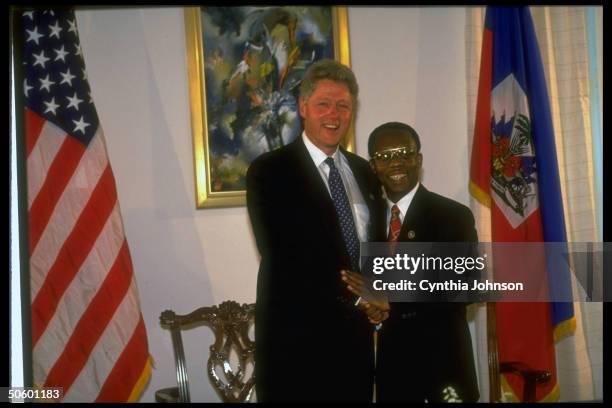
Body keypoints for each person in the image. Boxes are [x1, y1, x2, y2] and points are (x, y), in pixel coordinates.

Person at [246, 59, 383, 402]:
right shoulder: (269, 171)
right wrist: (361, 296)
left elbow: (376, 248)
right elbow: (283, 253)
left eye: (343, 106)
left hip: (356, 346)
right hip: (296, 346)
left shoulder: (365, 172)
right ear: (303, 107)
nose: (333, 114)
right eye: (323, 103)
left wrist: (383, 295)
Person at [342, 122, 480, 402]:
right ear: (373, 167)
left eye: (405, 153)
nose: (396, 162)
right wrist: (372, 309)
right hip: (395, 371)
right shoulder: (368, 220)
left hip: (444, 366)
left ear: (418, 159)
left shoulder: (452, 215)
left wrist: (391, 299)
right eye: (385, 156)